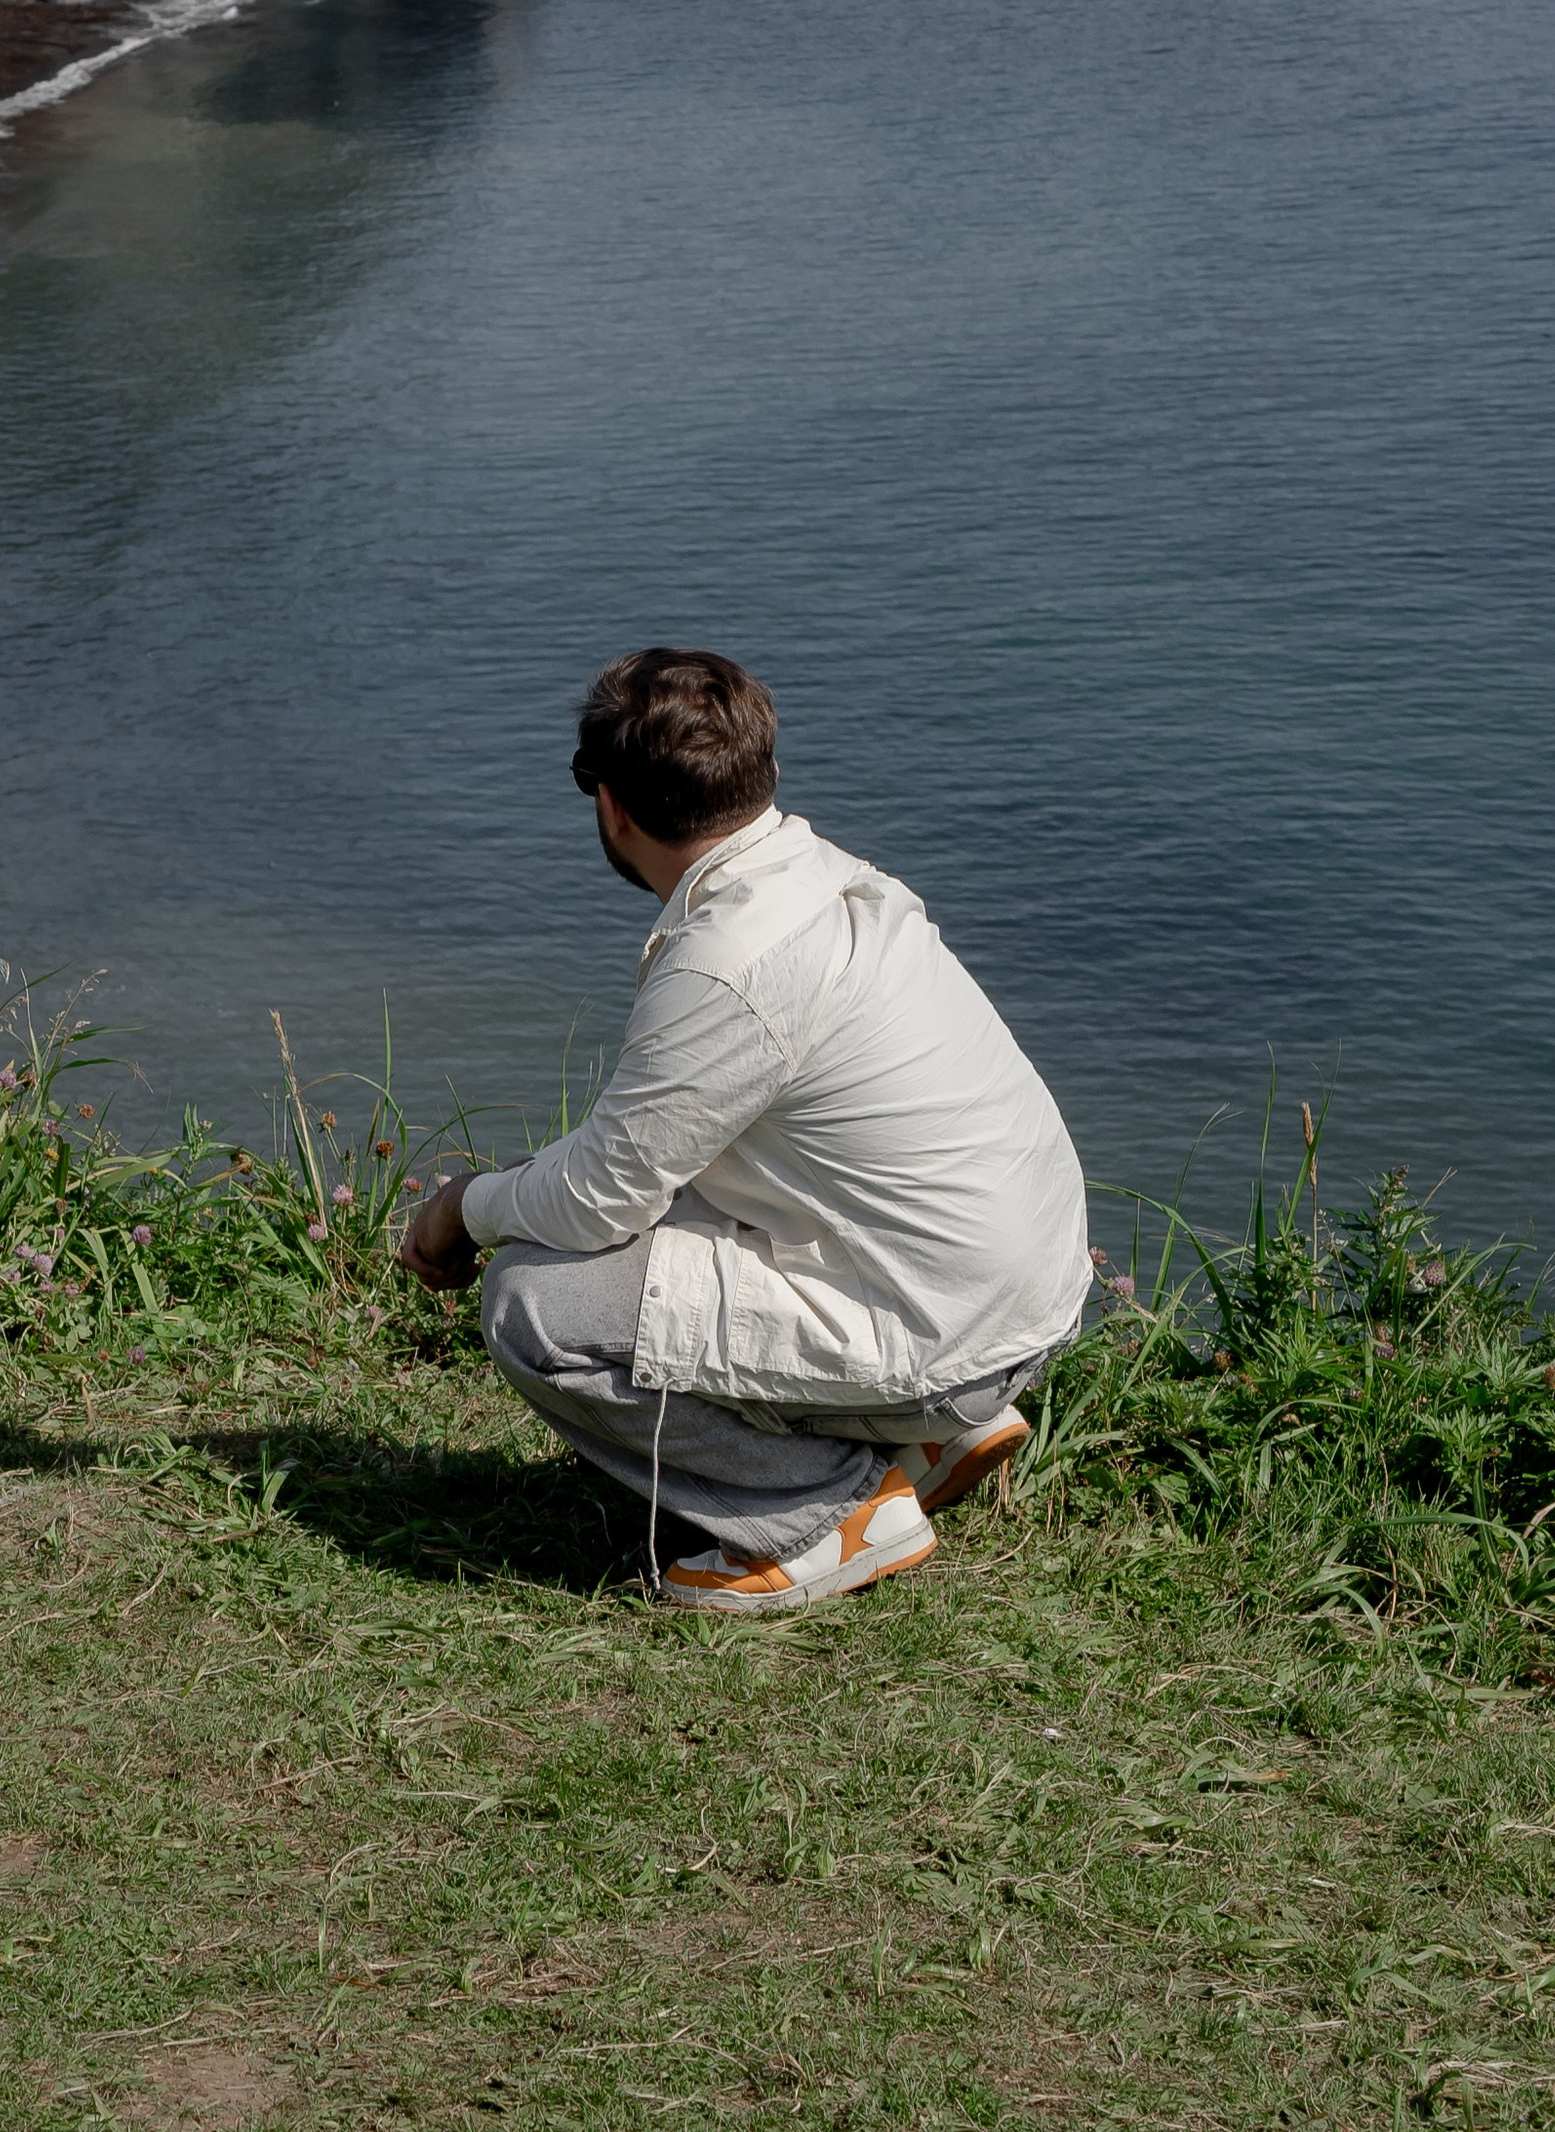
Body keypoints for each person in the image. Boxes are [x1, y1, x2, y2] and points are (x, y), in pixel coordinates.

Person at [397, 647, 1090, 1618]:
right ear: (757, 773)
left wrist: (460, 1209)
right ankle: (922, 1437)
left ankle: (822, 1514)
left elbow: (601, 1197)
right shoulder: (826, 879)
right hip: (1014, 1297)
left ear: (610, 807)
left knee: (534, 1303)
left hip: (953, 1333)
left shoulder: (727, 961)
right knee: (660, 1214)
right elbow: (643, 1169)